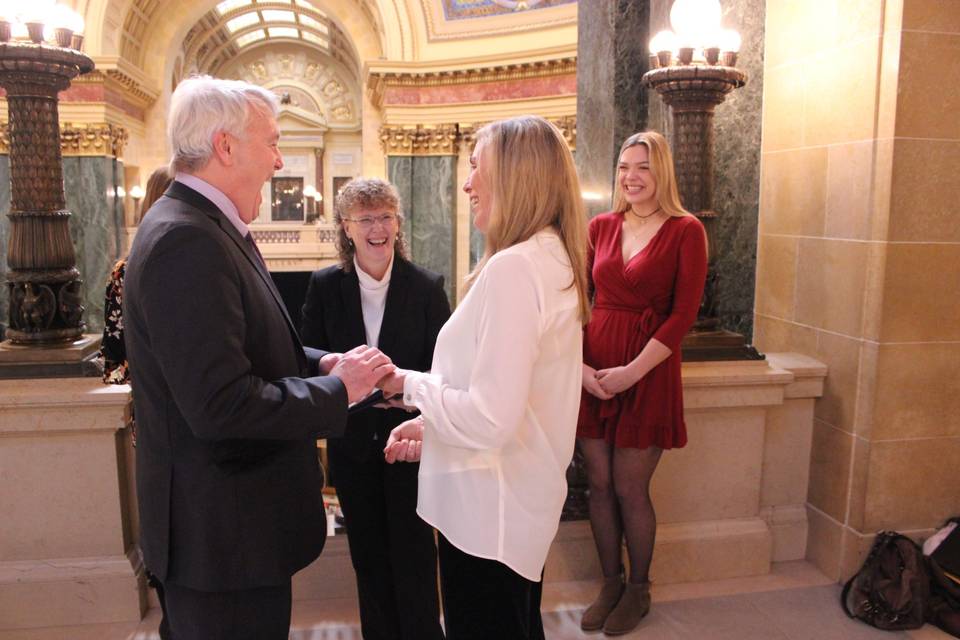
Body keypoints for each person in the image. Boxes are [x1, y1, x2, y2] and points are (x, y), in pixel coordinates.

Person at [122, 75, 393, 640]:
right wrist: (340, 390)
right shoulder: (186, 240)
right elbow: (221, 406)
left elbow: (248, 349)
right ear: (225, 146)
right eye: (270, 142)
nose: (278, 161)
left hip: (234, 536)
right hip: (222, 541)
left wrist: (319, 363)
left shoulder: (208, 225)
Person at [380, 115, 590, 640]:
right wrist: (434, 428)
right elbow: (519, 401)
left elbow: (493, 419)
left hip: (487, 518)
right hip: (514, 503)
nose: (467, 182)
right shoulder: (552, 257)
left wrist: (407, 385)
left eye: (477, 167)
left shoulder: (514, 268)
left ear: (516, 176)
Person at [300, 178, 449, 640]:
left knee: (416, 555)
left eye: (386, 216)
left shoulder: (427, 286)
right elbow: (305, 355)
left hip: (411, 441)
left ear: (398, 224)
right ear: (347, 228)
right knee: (368, 557)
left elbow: (445, 366)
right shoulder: (325, 286)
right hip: (353, 445)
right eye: (366, 219)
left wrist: (405, 392)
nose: (377, 227)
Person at [576, 131, 708, 635]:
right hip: (593, 369)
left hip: (647, 373)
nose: (631, 176)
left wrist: (631, 372)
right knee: (600, 485)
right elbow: (579, 301)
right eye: (624, 167)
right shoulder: (600, 226)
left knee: (631, 486)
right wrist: (582, 371)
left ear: (663, 173)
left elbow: (682, 315)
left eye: (643, 168)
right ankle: (609, 582)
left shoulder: (685, 230)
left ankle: (638, 589)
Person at [98, 166, 174, 638]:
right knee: (162, 514)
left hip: (164, 418)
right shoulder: (126, 273)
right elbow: (114, 356)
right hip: (151, 419)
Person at [101, 167, 173, 385]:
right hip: (154, 396)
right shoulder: (124, 272)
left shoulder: (124, 271)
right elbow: (114, 355)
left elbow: (112, 357)